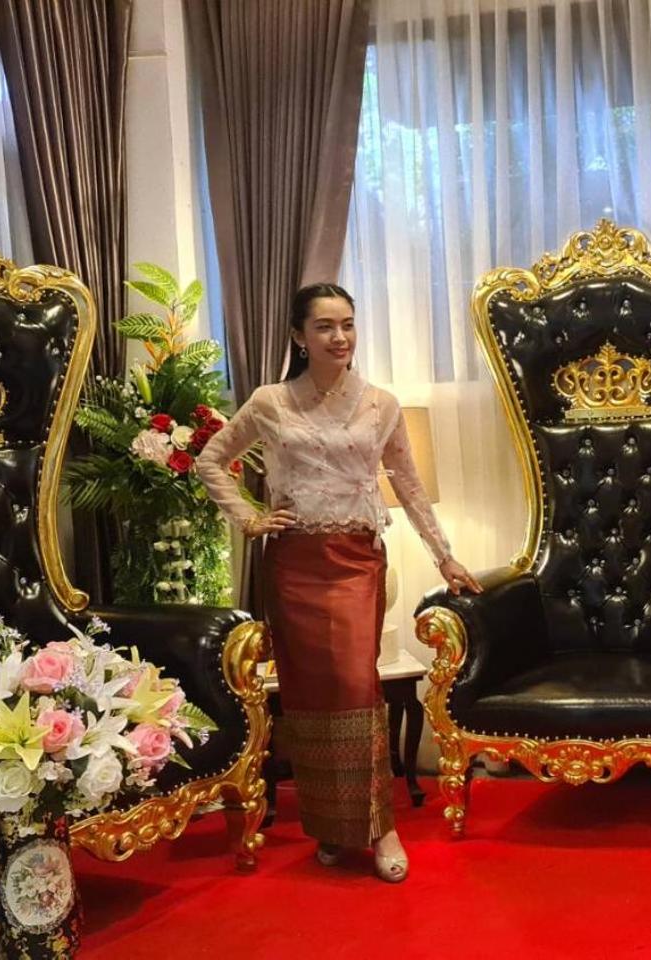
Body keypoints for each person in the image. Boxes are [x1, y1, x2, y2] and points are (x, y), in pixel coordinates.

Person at [194, 282, 481, 883]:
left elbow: (407, 482)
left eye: (347, 324)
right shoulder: (270, 401)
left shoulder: (380, 404)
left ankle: (380, 827)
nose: (340, 336)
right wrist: (249, 517)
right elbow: (211, 459)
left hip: (355, 561)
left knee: (356, 686)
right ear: (299, 336)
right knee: (310, 697)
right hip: (293, 565)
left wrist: (444, 557)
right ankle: (332, 825)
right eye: (325, 326)